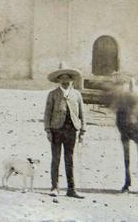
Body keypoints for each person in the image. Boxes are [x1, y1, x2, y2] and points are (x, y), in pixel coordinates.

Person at [44, 63, 86, 198]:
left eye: (68, 79)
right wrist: (48, 131)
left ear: (72, 80)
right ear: (58, 80)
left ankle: (71, 189)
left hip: (71, 131)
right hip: (56, 130)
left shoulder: (77, 95)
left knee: (70, 159)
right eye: (62, 79)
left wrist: (82, 131)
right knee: (55, 159)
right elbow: (47, 113)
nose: (66, 81)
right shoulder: (53, 94)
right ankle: (54, 187)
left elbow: (82, 114)